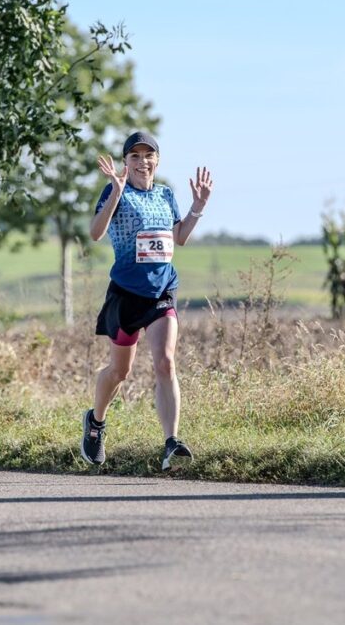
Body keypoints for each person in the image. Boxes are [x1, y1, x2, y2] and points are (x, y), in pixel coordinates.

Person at [81, 131, 213, 471]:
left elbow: (178, 238)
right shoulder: (116, 192)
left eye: (148, 155)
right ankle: (95, 422)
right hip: (126, 294)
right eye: (135, 156)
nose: (142, 162)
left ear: (157, 160)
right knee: (119, 371)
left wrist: (196, 208)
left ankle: (172, 442)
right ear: (126, 161)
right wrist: (116, 191)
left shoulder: (165, 195)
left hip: (162, 291)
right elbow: (96, 232)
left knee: (165, 362)